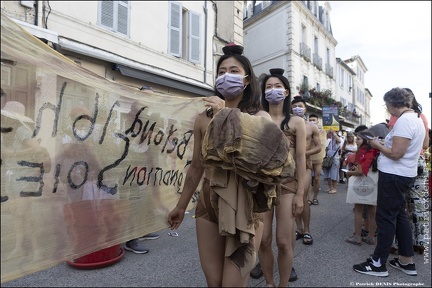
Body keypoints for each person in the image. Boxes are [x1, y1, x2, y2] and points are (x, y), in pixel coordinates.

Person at [167, 44, 293, 287]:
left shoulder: (260, 118)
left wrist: (226, 114)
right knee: (213, 283)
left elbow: (272, 160)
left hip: (246, 207)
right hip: (207, 204)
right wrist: (181, 206)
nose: (226, 76)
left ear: (246, 79)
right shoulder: (203, 118)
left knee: (232, 284)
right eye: (221, 71)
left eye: (233, 71)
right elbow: (196, 166)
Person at [353, 87, 426, 277]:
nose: (387, 109)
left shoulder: (404, 121)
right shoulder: (416, 118)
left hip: (394, 175)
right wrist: (384, 142)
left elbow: (396, 153)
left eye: (386, 105)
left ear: (393, 104)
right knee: (399, 216)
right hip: (402, 174)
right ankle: (406, 260)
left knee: (385, 218)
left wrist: (376, 144)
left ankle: (378, 263)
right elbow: (400, 148)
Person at [251, 68, 306, 286]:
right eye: (268, 87)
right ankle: (269, 282)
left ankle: (283, 283)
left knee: (284, 242)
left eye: (277, 86)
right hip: (262, 186)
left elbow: (301, 159)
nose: (273, 90)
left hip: (288, 186)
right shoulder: (256, 119)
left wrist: (301, 193)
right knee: (263, 241)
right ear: (263, 93)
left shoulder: (297, 123)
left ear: (286, 91)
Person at [124, 86, 160, 254]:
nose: (149, 100)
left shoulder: (149, 116)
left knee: (145, 198)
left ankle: (142, 230)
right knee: (135, 201)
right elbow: (134, 138)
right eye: (146, 97)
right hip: (132, 163)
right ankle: (131, 239)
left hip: (144, 162)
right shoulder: (132, 117)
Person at [291, 96, 321, 246]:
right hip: (289, 166)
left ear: (305, 108)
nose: (297, 108)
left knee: (302, 197)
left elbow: (318, 146)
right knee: (292, 199)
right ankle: (299, 228)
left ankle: (307, 230)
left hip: (306, 164)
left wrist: (303, 153)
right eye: (294, 105)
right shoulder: (287, 124)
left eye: (300, 105)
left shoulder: (312, 127)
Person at [344, 131, 379, 246]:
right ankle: (371, 238)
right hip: (373, 182)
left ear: (365, 140)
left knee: (358, 210)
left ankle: (357, 237)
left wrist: (348, 173)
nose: (356, 141)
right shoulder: (377, 150)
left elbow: (360, 171)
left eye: (358, 139)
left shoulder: (362, 151)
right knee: (372, 212)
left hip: (361, 182)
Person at [308, 113, 327, 205]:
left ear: (317, 121)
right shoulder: (306, 129)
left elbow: (322, 143)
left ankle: (315, 197)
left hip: (318, 156)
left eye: (314, 120)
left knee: (316, 178)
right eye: (310, 120)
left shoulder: (322, 131)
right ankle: (308, 197)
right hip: (308, 156)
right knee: (307, 178)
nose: (312, 122)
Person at [322, 129, 342, 194]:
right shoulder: (329, 141)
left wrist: (334, 133)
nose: (331, 134)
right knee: (328, 174)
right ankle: (330, 187)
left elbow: (339, 140)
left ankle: (334, 188)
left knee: (334, 174)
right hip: (328, 158)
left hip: (334, 159)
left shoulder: (336, 140)